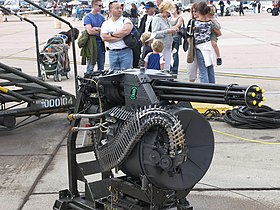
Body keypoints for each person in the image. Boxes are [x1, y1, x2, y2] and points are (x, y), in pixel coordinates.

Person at [100, 1, 133, 71]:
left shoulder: (126, 20)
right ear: (111, 11)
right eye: (117, 8)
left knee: (127, 75)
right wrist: (121, 37)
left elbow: (126, 31)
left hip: (125, 52)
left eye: (120, 8)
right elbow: (104, 37)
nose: (120, 10)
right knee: (114, 76)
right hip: (112, 53)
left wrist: (111, 35)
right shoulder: (106, 24)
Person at [194, 1, 221, 83]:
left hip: (199, 47)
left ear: (198, 12)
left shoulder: (194, 23)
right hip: (209, 46)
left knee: (203, 71)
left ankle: (205, 89)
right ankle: (213, 87)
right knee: (210, 68)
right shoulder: (210, 23)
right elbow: (218, 32)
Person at [151, 1, 178, 71]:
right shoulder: (157, 19)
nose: (168, 13)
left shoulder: (167, 19)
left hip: (168, 46)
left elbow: (169, 31)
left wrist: (174, 30)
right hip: (159, 48)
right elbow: (155, 33)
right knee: (160, 68)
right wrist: (167, 31)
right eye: (167, 12)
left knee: (166, 67)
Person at [83, 0, 105, 73]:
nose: (101, 7)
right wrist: (100, 30)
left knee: (101, 66)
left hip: (101, 43)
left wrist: (96, 29)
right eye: (99, 6)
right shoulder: (87, 17)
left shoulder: (102, 17)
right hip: (92, 44)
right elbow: (90, 31)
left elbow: (105, 30)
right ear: (94, 6)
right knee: (91, 65)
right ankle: (89, 81)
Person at [170, 4, 184, 74]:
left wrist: (170, 29)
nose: (172, 9)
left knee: (175, 53)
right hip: (169, 37)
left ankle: (174, 70)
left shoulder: (180, 17)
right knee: (168, 53)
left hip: (176, 37)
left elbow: (177, 26)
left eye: (173, 8)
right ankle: (170, 68)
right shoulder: (169, 18)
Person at [186, 3, 198, 82]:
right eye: (193, 12)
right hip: (192, 47)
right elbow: (187, 34)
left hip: (201, 46)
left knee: (202, 70)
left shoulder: (205, 21)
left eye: (196, 11)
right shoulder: (191, 21)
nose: (194, 13)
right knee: (191, 67)